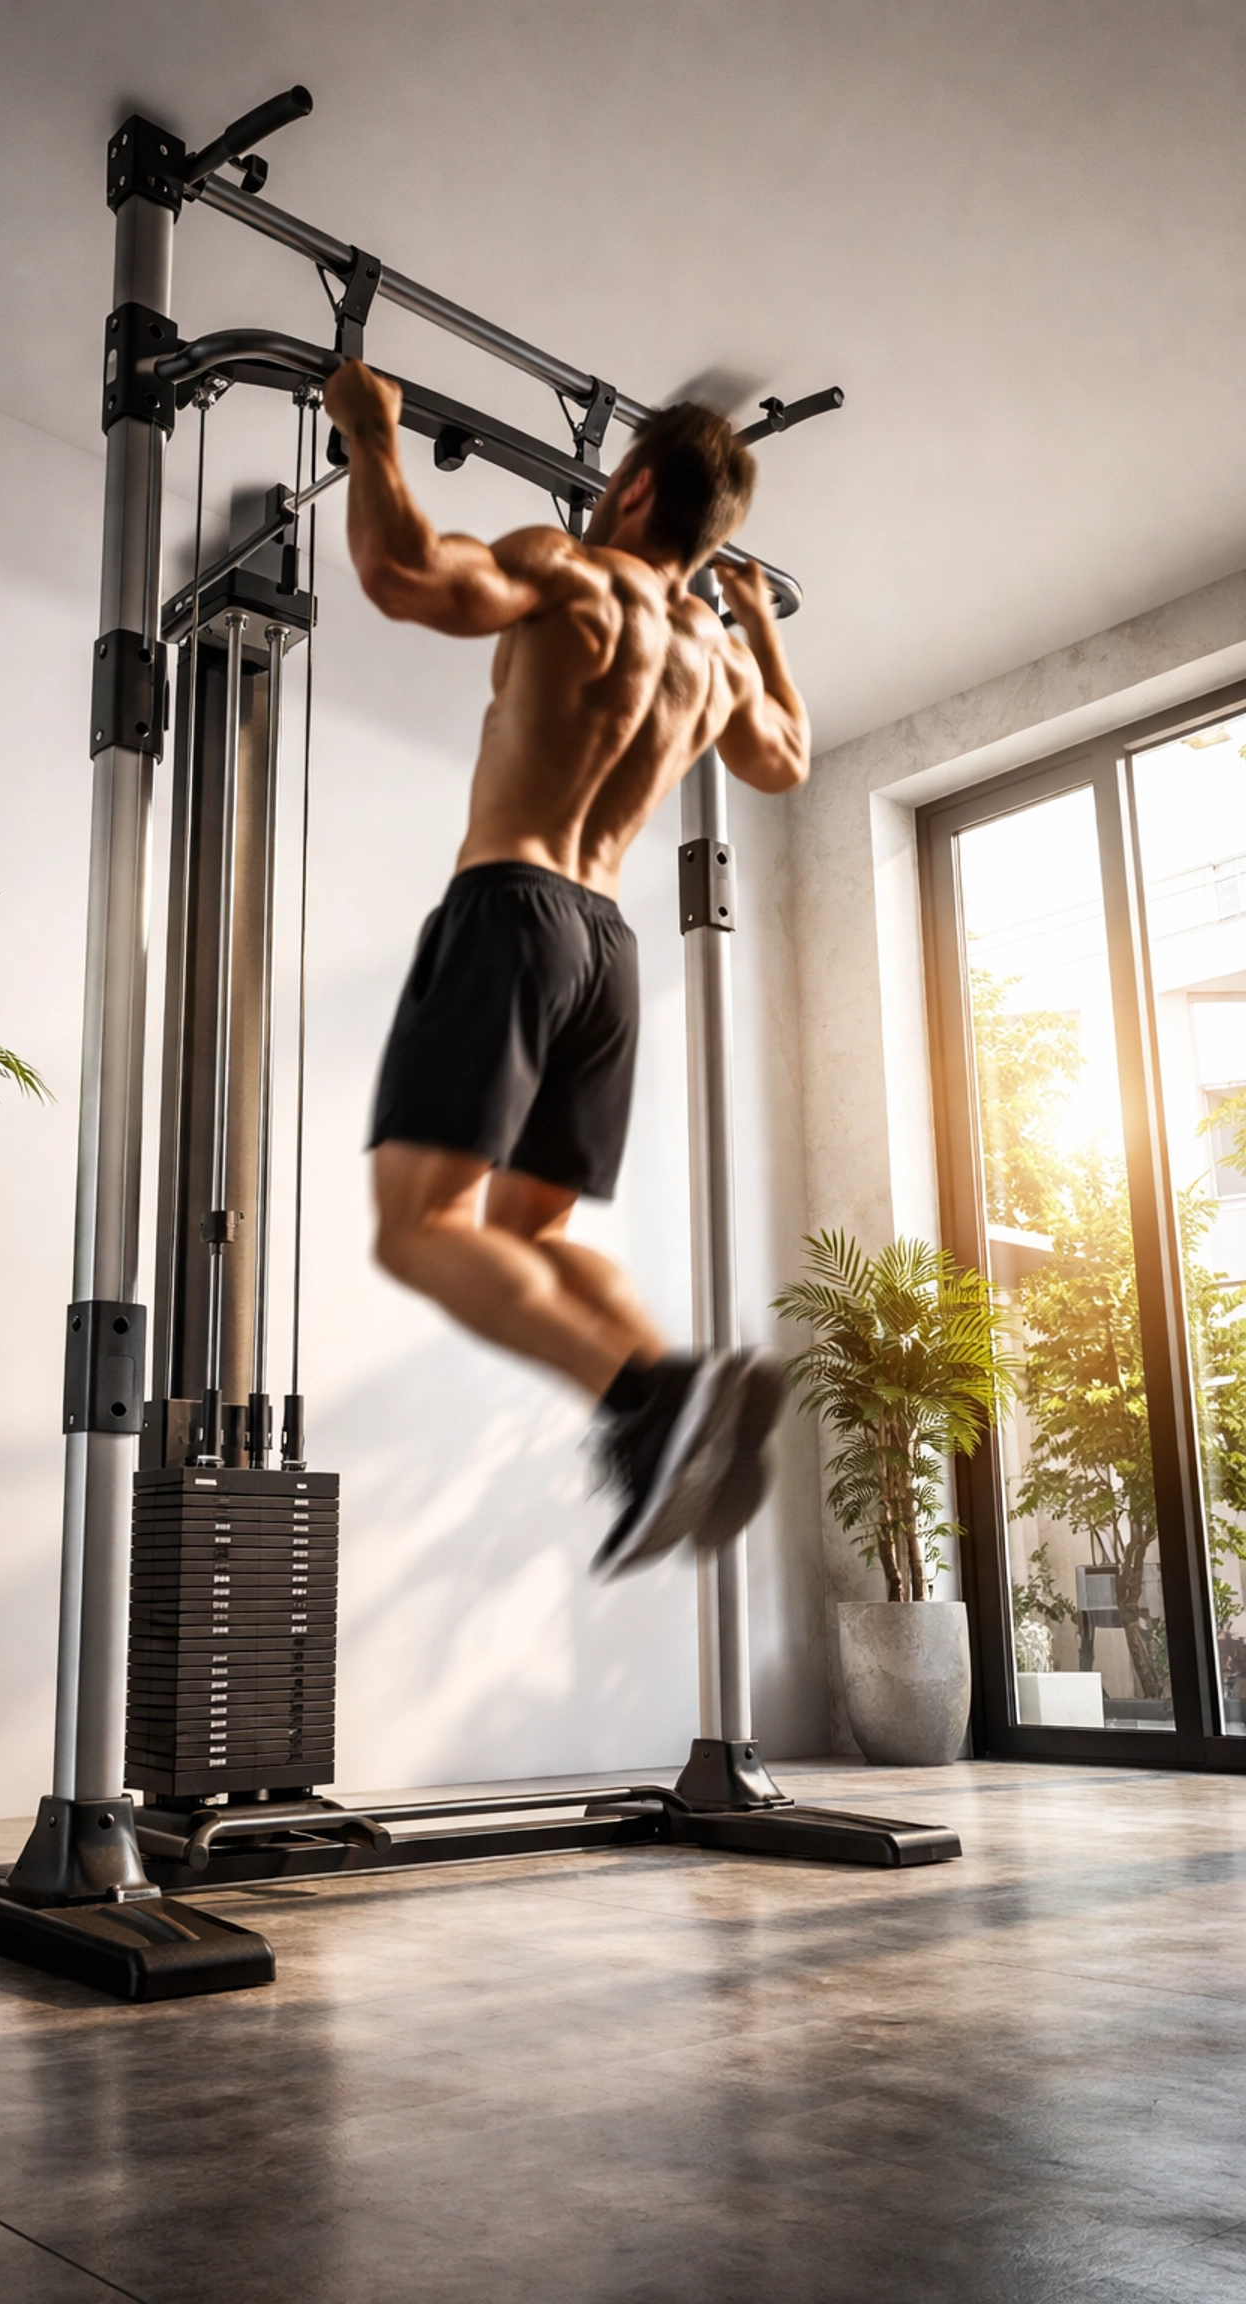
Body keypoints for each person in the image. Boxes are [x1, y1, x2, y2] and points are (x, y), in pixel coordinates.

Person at [322, 357, 810, 1576]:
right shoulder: (716, 656)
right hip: (608, 953)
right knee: (521, 1233)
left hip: (514, 913)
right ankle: (675, 1387)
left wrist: (373, 437)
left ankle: (647, 1406)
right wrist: (752, 626)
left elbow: (401, 573)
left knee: (414, 1230)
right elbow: (786, 759)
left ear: (635, 490)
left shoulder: (564, 566)